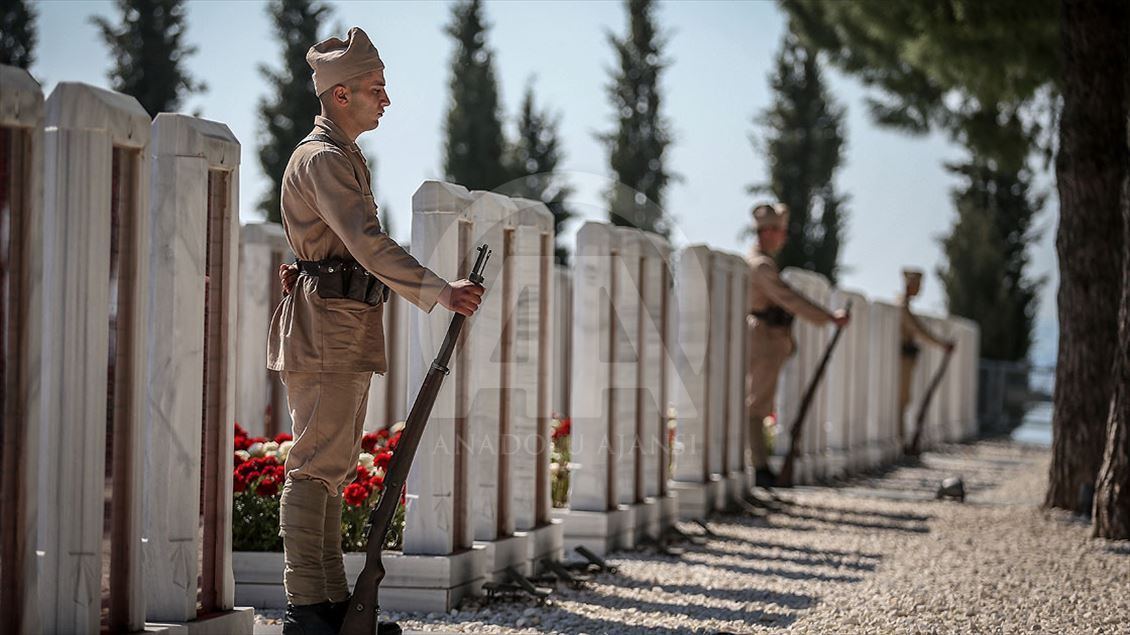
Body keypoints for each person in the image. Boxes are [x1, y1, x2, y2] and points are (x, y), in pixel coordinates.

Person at [267, 27, 483, 635]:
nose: (385, 100)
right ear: (340, 95)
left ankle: (333, 605)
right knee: (315, 465)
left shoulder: (340, 154)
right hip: (327, 326)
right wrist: (438, 290)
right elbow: (363, 242)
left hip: (341, 322)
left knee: (330, 466)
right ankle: (308, 608)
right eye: (375, 89)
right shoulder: (325, 158)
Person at [745, 203, 849, 487]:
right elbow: (789, 298)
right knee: (757, 404)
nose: (783, 237)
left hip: (774, 339)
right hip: (764, 339)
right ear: (766, 232)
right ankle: (759, 466)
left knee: (760, 402)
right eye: (779, 231)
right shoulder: (761, 266)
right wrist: (827, 317)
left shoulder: (765, 263)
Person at [897, 268, 955, 448]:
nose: (919, 289)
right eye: (917, 285)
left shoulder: (906, 306)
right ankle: (900, 440)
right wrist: (941, 344)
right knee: (902, 399)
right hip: (903, 360)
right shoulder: (902, 307)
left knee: (906, 399)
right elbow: (919, 330)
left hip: (908, 359)